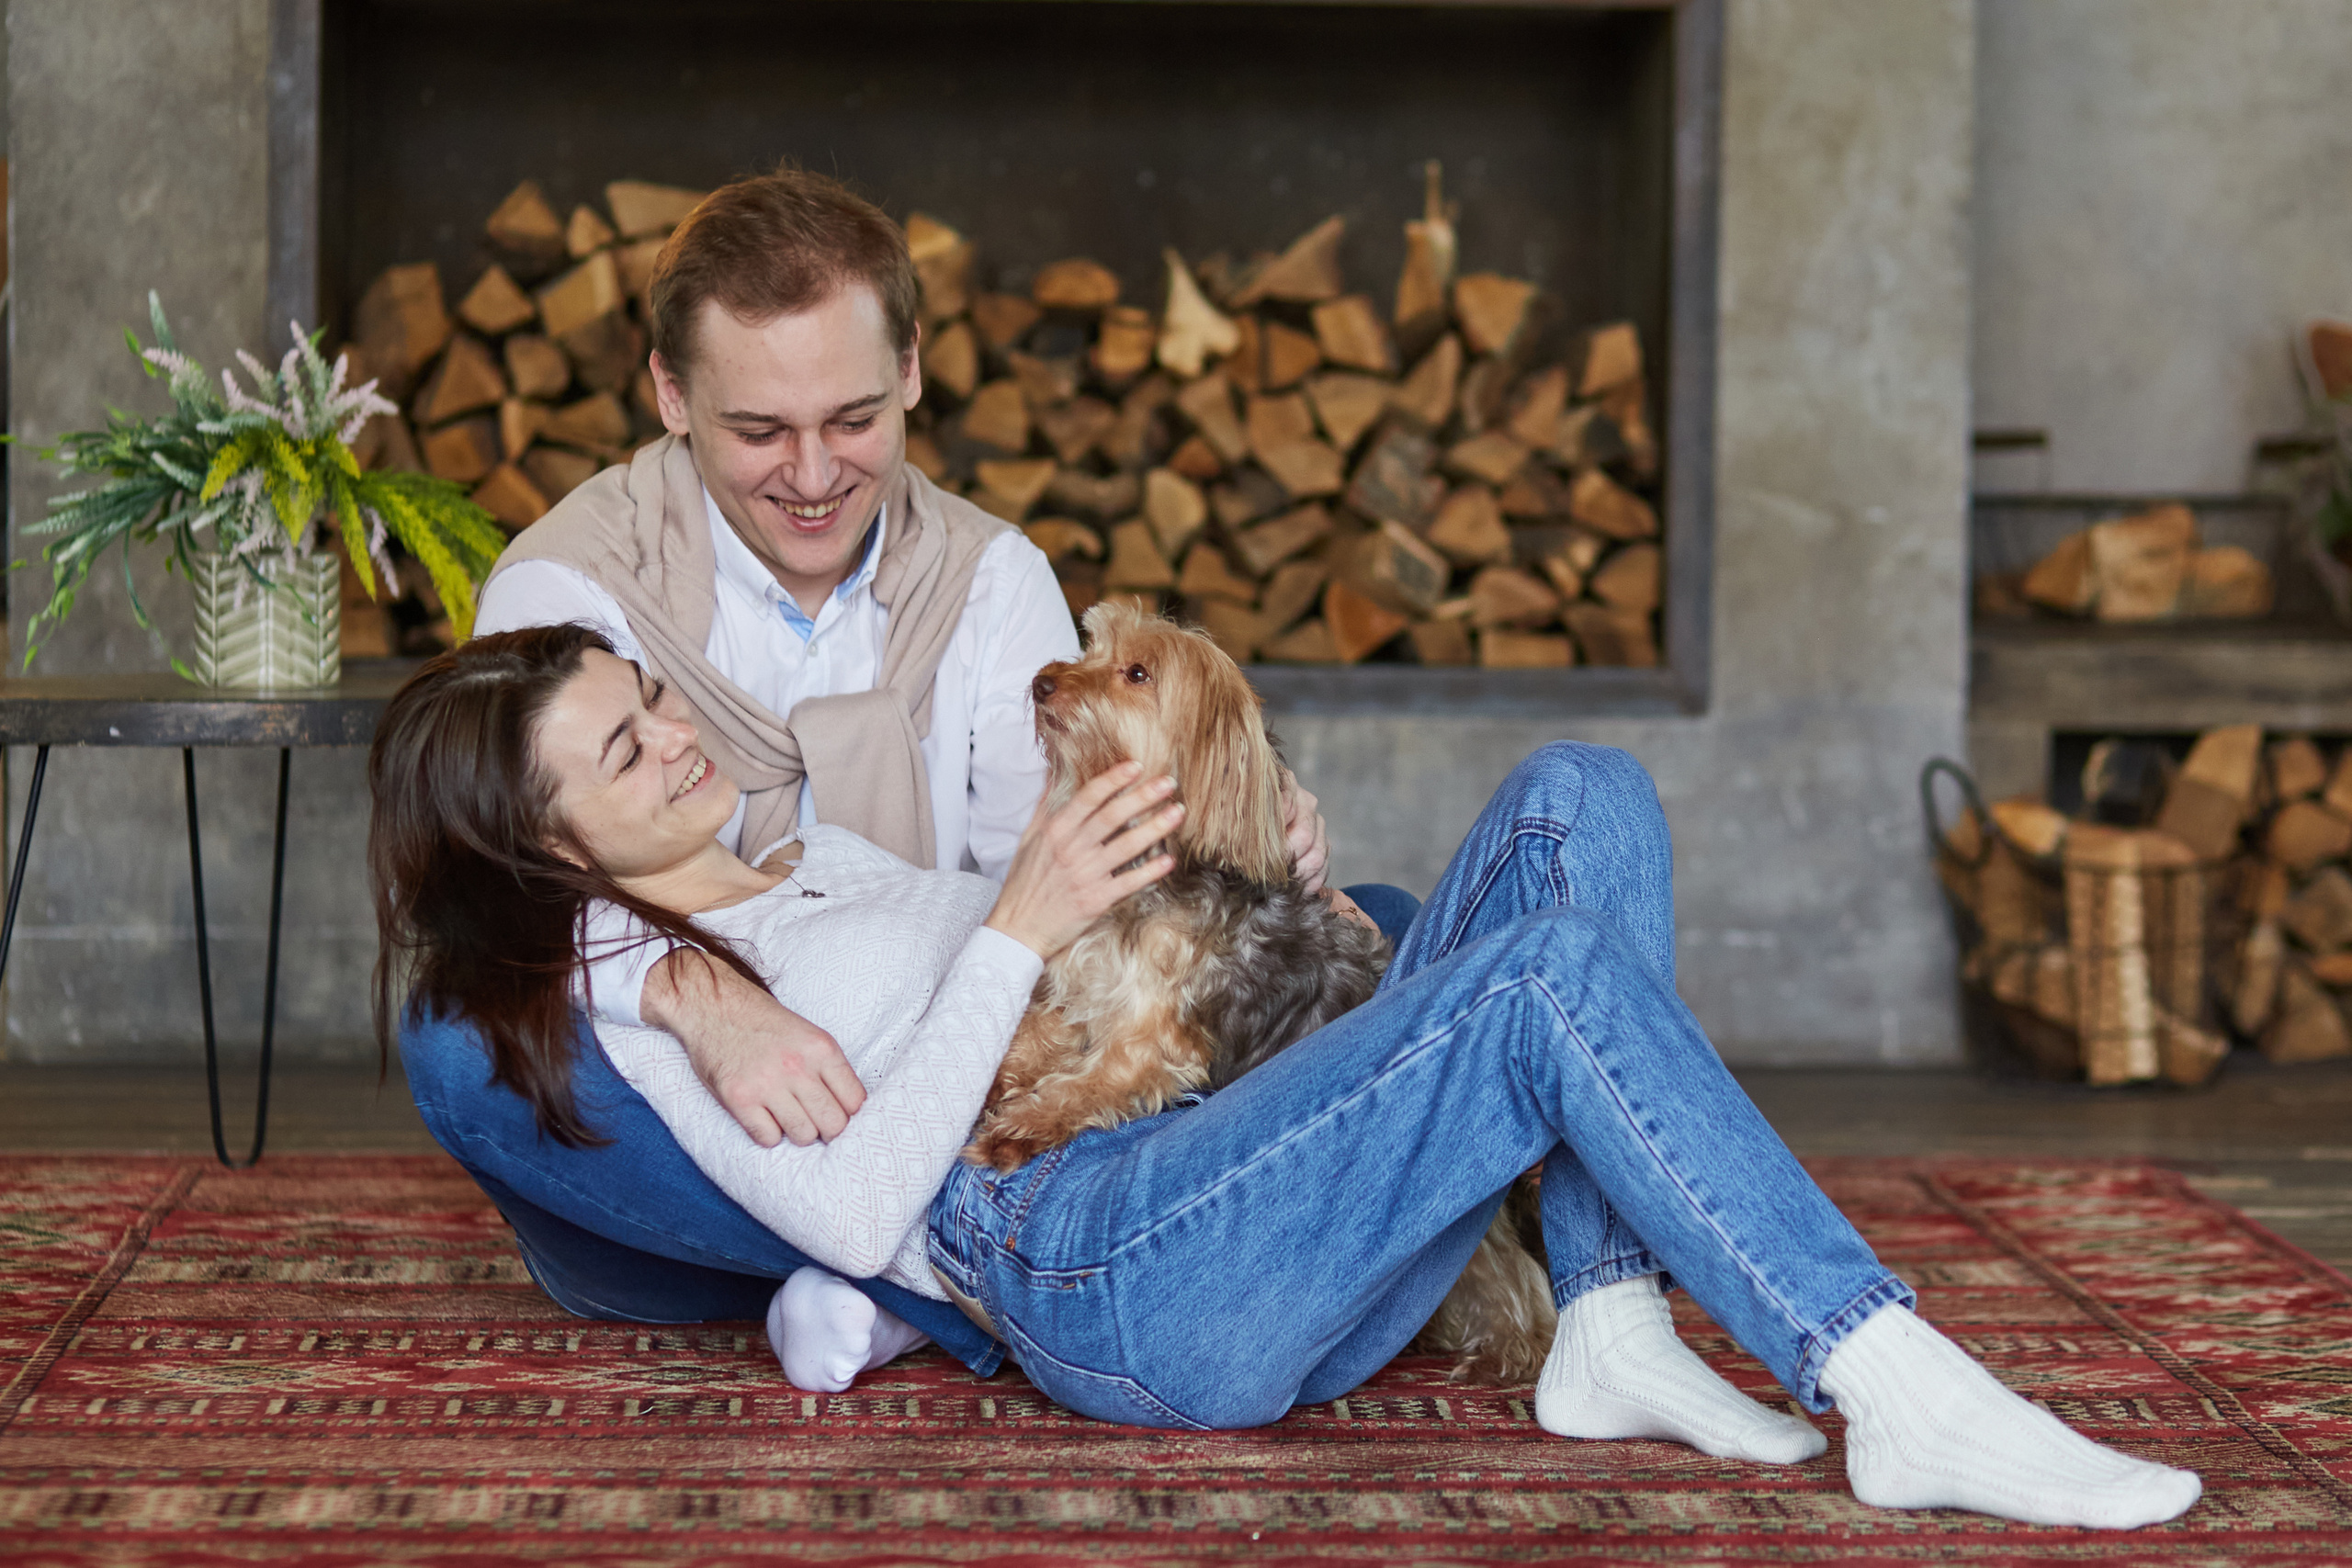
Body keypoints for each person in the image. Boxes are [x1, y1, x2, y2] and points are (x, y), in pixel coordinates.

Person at [373, 626, 2202, 1531]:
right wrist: (997, 921)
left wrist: (1266, 865)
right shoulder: (649, 994)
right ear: (544, 843)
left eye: (651, 695)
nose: (677, 732)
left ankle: (1607, 1321)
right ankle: (1889, 1377)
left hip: (1228, 1162)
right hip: (1101, 1267)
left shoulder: (806, 871)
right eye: (627, 745)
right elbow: (859, 1208)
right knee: (1542, 979)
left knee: (1581, 794)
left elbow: (1134, 980)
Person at [455, 164, 1359, 1373]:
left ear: (914, 373)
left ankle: (904, 1269)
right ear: (671, 394)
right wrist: (687, 989)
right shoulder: (566, 593)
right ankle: (953, 1278)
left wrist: (1235, 823)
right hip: (716, 1155)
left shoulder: (993, 582)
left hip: (954, 1056)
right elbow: (499, 874)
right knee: (457, 1046)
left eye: (853, 419)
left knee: (1356, 939)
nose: (816, 474)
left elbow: (1066, 895)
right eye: (760, 430)